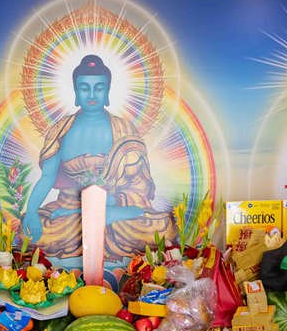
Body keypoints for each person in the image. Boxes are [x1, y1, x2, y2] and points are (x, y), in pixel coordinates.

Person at [20, 55, 175, 267]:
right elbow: (47, 177)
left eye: (99, 88)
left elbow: (140, 185)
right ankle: (88, 219)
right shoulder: (61, 130)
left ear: (108, 91)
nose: (92, 94)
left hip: (116, 207)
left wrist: (110, 206)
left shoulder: (124, 129)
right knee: (29, 229)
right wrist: (31, 212)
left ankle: (98, 219)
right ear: (76, 92)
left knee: (164, 226)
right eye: (84, 88)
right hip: (69, 208)